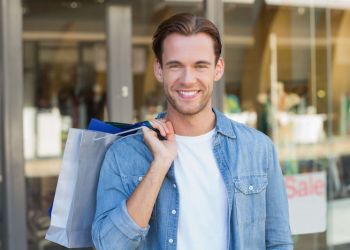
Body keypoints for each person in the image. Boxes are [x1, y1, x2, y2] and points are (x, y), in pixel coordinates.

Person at [92, 13, 293, 250]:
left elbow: (278, 243)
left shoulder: (258, 149)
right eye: (175, 66)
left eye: (200, 66)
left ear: (218, 69)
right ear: (159, 70)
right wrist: (159, 166)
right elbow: (108, 246)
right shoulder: (124, 154)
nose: (188, 80)